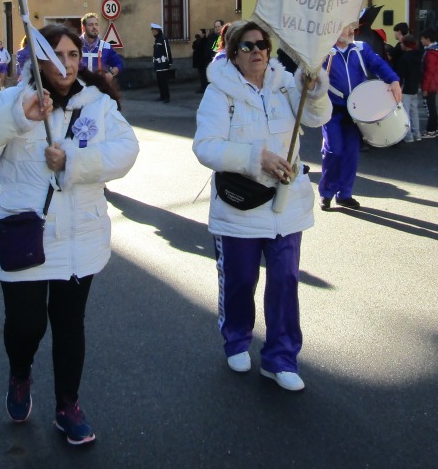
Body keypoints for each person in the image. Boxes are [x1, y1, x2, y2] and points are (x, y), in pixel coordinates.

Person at [0, 25, 139, 443]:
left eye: (73, 55)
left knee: (69, 325)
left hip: (79, 237)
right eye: (57, 56)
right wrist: (18, 118)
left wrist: (73, 161)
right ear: (39, 61)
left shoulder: (98, 104)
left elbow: (126, 151)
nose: (67, 64)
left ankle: (67, 405)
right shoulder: (12, 100)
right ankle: (20, 372)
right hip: (25, 235)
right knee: (26, 326)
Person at [192, 21, 331, 392]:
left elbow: (316, 117)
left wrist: (315, 90)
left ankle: (280, 359)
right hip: (240, 206)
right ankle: (237, 340)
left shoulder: (285, 83)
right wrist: (256, 158)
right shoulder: (219, 93)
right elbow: (206, 147)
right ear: (233, 54)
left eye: (262, 45)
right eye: (247, 46)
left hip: (286, 205)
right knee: (240, 281)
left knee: (285, 281)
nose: (257, 51)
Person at [318, 21, 402, 209]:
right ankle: (327, 192)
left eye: (352, 27)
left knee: (351, 154)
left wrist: (393, 80)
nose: (350, 31)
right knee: (333, 151)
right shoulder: (323, 52)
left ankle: (344, 194)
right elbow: (310, 78)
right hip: (332, 111)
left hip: (357, 112)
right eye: (345, 27)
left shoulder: (361, 48)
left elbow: (378, 64)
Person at [79, 12, 123, 83]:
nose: (94, 27)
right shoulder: (75, 45)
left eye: (96, 24)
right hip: (80, 86)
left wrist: (111, 73)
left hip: (100, 86)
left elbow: (118, 64)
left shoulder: (106, 47)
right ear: (83, 28)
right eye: (90, 25)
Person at [419, 28, 438, 138]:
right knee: (432, 107)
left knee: (430, 108)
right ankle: (433, 129)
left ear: (428, 39)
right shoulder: (436, 51)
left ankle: (431, 130)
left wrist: (425, 88)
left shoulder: (431, 54)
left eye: (422, 38)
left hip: (431, 84)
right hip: (435, 82)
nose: (421, 40)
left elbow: (429, 72)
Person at [395, 34, 422, 143]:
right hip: (414, 87)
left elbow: (401, 75)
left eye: (402, 43)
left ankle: (408, 135)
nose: (400, 45)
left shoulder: (404, 58)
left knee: (405, 112)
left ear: (405, 45)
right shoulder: (418, 56)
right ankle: (417, 134)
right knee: (414, 111)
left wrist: (399, 87)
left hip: (405, 88)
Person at [151, 23, 172, 103]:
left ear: (157, 31)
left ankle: (167, 97)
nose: (152, 32)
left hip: (163, 64)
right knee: (160, 81)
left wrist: (169, 62)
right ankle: (162, 96)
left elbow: (167, 51)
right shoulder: (157, 40)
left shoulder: (163, 39)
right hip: (158, 64)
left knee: (164, 81)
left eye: (153, 31)